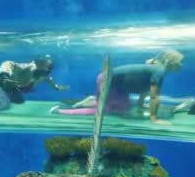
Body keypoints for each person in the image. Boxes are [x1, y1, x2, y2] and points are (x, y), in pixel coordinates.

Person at [51, 49, 184, 124]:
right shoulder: (159, 71)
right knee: (106, 110)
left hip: (112, 83)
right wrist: (154, 118)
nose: (181, 65)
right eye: (180, 62)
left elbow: (145, 89)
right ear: (169, 62)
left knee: (125, 107)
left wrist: (139, 104)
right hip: (107, 82)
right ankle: (60, 111)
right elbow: (154, 96)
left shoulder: (156, 69)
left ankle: (93, 100)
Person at [0, 55, 69, 110]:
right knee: (3, 106)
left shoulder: (43, 76)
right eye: (46, 70)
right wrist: (4, 76)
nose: (47, 73)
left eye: (49, 70)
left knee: (18, 100)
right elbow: (8, 63)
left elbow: (49, 80)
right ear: (39, 66)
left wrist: (58, 87)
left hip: (5, 88)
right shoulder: (27, 68)